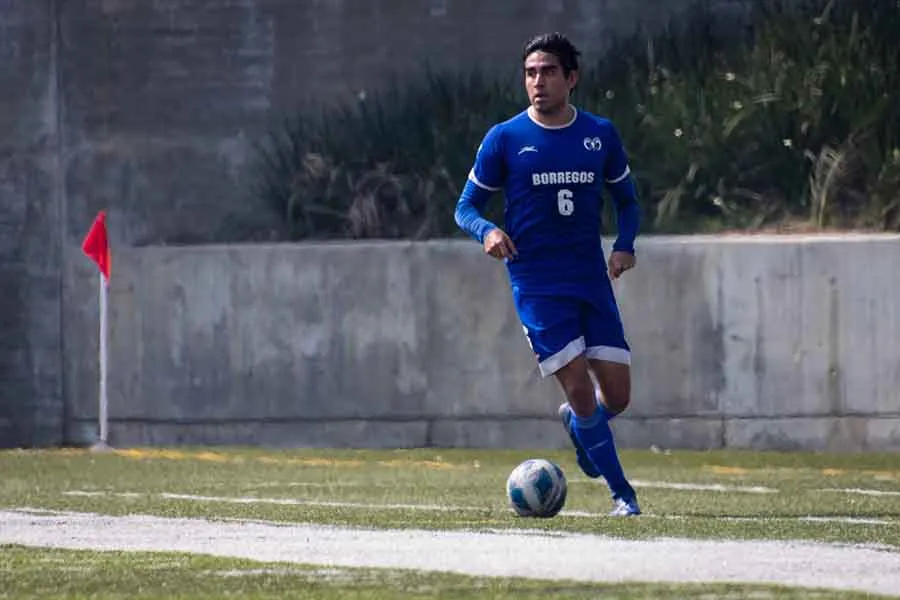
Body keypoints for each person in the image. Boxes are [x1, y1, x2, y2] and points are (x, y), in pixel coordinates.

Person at [454, 32, 642, 516]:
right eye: (530, 72)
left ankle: (581, 427)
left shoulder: (600, 134)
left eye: (548, 72)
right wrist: (487, 231)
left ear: (571, 78)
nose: (537, 81)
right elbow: (465, 206)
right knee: (579, 389)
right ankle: (624, 496)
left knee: (616, 397)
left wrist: (624, 245)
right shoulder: (506, 137)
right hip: (536, 283)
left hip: (590, 280)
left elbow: (628, 199)